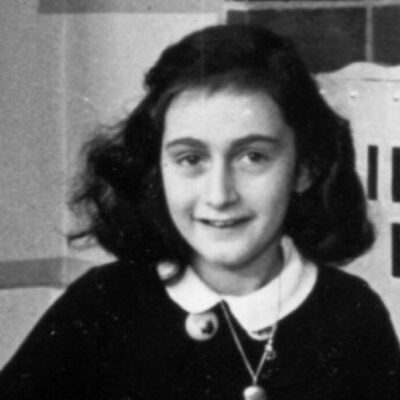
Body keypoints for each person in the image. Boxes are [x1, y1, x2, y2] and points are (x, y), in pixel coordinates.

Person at [0, 24, 399, 400]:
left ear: (305, 168)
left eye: (253, 157)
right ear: (158, 171)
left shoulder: (351, 315)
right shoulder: (102, 305)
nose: (219, 195)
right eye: (191, 159)